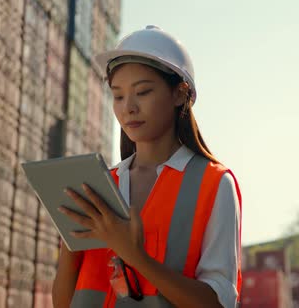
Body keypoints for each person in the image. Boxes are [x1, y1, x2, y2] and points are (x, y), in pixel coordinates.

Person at [51, 25, 242, 308]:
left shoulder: (214, 185)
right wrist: (70, 240)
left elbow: (217, 304)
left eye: (142, 92)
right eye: (118, 96)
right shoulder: (100, 185)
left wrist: (135, 255)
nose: (128, 107)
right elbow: (64, 303)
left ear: (180, 94)